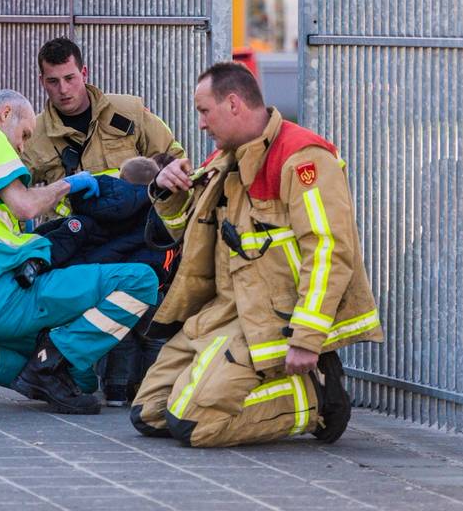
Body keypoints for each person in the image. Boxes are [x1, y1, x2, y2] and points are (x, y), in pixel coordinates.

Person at [131, 62, 383, 446]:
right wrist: (171, 194)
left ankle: (315, 398)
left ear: (233, 104)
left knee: (192, 425)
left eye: (204, 111)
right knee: (149, 414)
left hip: (272, 319)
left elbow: (329, 250)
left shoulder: (303, 158)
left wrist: (306, 336)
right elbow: (186, 232)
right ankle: (273, 387)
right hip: (225, 312)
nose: (200, 124)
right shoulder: (222, 161)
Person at [0, 90, 158, 415]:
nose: (22, 147)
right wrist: (69, 184)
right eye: (25, 133)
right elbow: (25, 206)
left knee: (81, 381)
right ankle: (47, 364)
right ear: (5, 113)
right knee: (140, 280)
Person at [37, 155, 174, 406]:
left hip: (114, 285)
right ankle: (151, 390)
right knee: (154, 339)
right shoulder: (162, 209)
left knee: (119, 336)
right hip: (153, 284)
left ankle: (116, 392)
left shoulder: (104, 207)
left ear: (121, 179)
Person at [23, 37, 183, 187]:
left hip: (134, 216)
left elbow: (173, 159)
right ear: (42, 81)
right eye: (53, 81)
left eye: (69, 78)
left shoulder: (128, 112)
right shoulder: (33, 136)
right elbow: (10, 197)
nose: (63, 89)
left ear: (84, 73)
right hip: (72, 218)